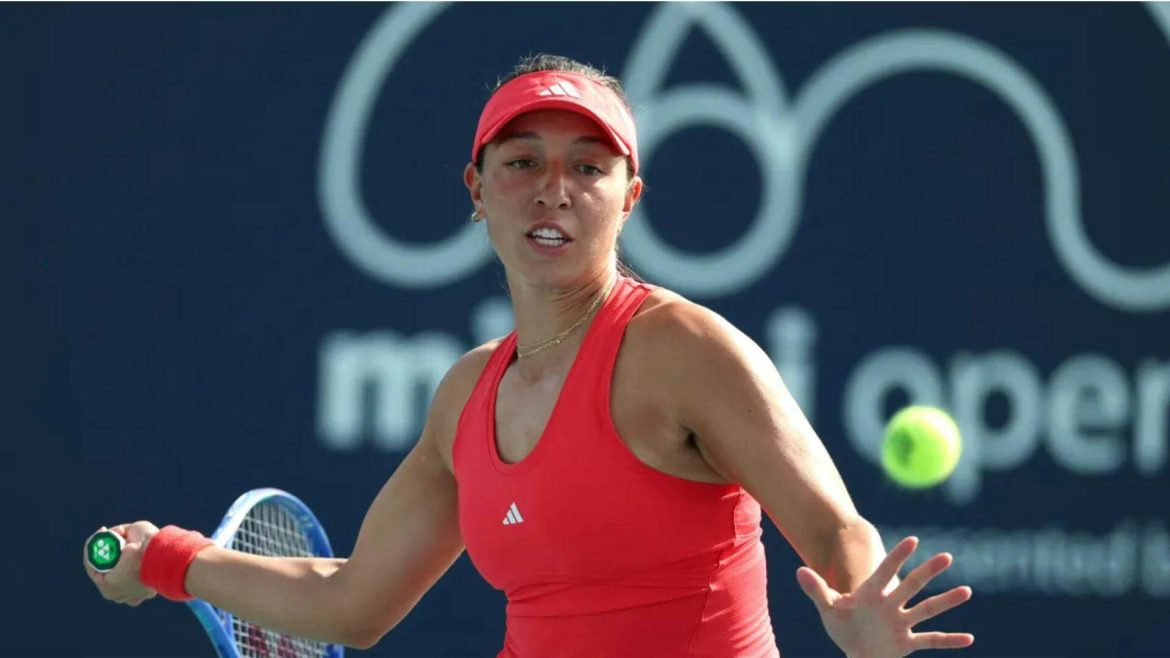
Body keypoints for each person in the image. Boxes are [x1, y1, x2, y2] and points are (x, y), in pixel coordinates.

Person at [85, 53, 975, 657]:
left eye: (589, 167)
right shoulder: (467, 394)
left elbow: (835, 533)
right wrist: (168, 558)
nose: (555, 187)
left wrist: (865, 626)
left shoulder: (683, 350)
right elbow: (352, 601)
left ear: (629, 197)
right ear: (478, 189)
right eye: (523, 161)